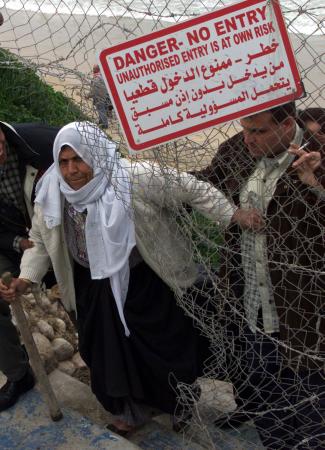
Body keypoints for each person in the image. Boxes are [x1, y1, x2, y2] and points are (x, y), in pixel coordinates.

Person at [0, 122, 253, 434]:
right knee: (105, 353)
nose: (71, 171)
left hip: (144, 281)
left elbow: (191, 188)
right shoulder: (52, 191)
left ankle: (177, 404)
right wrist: (25, 279)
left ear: (95, 155)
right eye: (64, 162)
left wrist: (232, 215)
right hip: (91, 285)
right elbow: (40, 241)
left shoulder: (132, 177)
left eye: (79, 159)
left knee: (162, 348)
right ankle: (129, 412)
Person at [195, 102, 324, 449]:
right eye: (245, 129)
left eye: (259, 131)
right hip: (252, 306)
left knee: (313, 410)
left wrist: (316, 183)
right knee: (269, 403)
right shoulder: (237, 149)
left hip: (307, 315)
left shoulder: (319, 154)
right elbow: (205, 184)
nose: (249, 139)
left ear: (288, 125)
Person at [0, 121, 58, 412]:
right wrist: (16, 243)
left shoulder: (45, 144)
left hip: (59, 237)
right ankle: (18, 374)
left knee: (83, 304)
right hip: (12, 243)